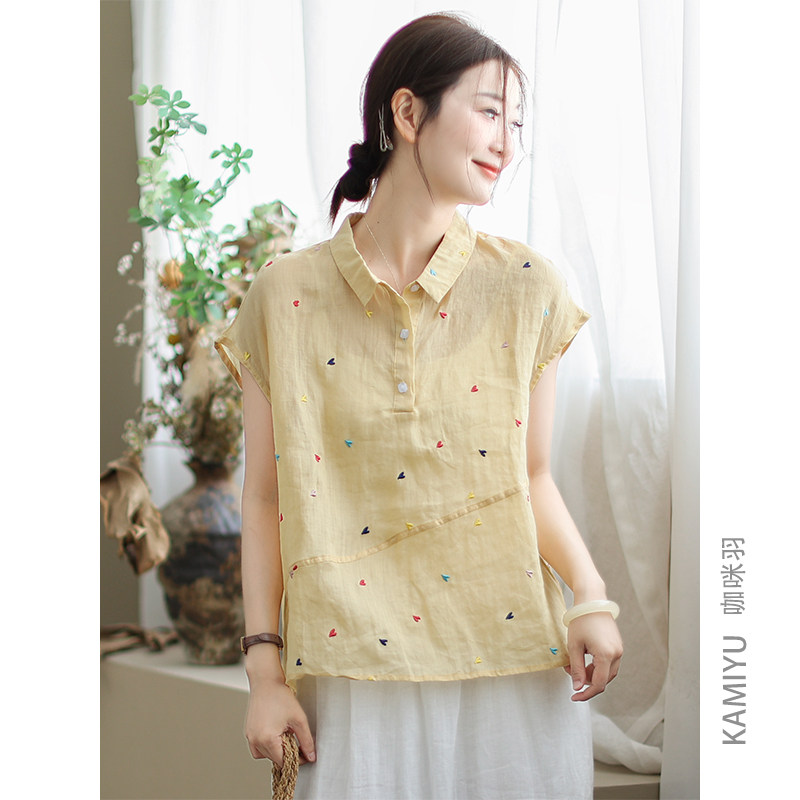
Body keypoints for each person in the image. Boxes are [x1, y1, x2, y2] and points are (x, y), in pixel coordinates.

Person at [215, 12, 623, 800]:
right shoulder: (285, 295)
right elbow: (264, 497)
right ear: (407, 113)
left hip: (509, 659)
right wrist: (264, 673)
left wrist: (591, 597)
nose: (507, 142)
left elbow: (531, 475)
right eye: (489, 111)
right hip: (348, 668)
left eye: (516, 122)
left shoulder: (528, 287)